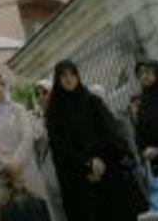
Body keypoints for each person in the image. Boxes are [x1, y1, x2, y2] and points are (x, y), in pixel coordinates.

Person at [46, 59, 147, 221]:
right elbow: (60, 148)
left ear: (78, 76)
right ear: (57, 80)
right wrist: (87, 163)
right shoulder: (54, 113)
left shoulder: (92, 101)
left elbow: (111, 133)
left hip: (108, 169)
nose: (68, 79)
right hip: (79, 179)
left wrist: (101, 161)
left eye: (72, 74)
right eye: (63, 76)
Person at [0, 71, 45, 221]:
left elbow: (27, 135)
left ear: (5, 87)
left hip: (24, 168)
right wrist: (5, 164)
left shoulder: (18, 109)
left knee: (34, 212)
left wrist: (16, 162)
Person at [30, 79, 67, 221]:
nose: (41, 97)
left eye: (44, 93)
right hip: (48, 172)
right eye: (37, 94)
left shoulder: (64, 113)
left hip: (66, 168)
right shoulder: (36, 119)